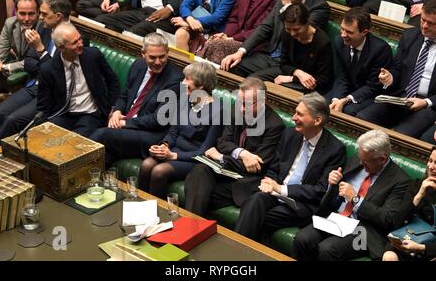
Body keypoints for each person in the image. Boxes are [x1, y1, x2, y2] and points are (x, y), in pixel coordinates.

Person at [234, 92, 346, 240]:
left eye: (299, 114)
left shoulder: (335, 149)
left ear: (317, 120)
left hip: (301, 204)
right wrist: (268, 181)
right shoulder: (289, 134)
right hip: (275, 193)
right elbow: (275, 167)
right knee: (256, 200)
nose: (293, 118)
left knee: (256, 214)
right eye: (294, 112)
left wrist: (281, 189)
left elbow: (320, 190)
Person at [292, 129, 410, 261]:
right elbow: (337, 195)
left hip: (364, 231)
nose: (361, 163)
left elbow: (387, 219)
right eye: (360, 158)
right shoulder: (358, 159)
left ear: (382, 159)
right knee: (302, 239)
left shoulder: (400, 181)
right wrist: (333, 182)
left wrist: (355, 199)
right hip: (337, 218)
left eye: (366, 162)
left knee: (328, 249)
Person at [184, 77, 285, 217]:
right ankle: (191, 226)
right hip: (226, 170)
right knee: (200, 170)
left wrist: (221, 157)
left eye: (247, 104)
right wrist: (242, 153)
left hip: (245, 180)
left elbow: (256, 165)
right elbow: (223, 142)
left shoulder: (274, 125)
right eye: (240, 102)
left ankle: (191, 226)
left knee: (199, 195)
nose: (242, 108)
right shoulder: (236, 109)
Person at [0, 0, 71, 151]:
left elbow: (56, 74)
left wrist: (40, 50)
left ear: (57, 16)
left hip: (51, 92)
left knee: (11, 120)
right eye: (22, 13)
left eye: (43, 14)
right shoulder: (45, 29)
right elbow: (30, 63)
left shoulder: (72, 37)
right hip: (35, 84)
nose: (39, 18)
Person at [90, 33, 183, 167]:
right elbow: (125, 95)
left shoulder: (175, 79)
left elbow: (159, 120)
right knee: (105, 154)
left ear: (167, 53)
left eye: (162, 56)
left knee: (101, 134)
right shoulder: (138, 65)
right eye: (152, 57)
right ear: (143, 54)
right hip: (129, 125)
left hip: (151, 134)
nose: (158, 62)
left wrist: (124, 123)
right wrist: (117, 111)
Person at [220, 0, 329, 77]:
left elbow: (296, 35)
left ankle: (256, 94)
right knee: (231, 66)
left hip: (291, 64)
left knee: (254, 80)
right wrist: (240, 52)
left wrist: (286, 2)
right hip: (269, 54)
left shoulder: (319, 7)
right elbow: (265, 27)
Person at [138, 62, 224, 198]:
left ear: (201, 86)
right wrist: (163, 146)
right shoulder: (185, 100)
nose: (183, 82)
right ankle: (139, 207)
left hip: (194, 159)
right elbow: (173, 132)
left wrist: (173, 156)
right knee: (146, 165)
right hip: (174, 150)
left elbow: (205, 151)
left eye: (188, 79)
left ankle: (158, 213)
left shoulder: (218, 111)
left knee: (159, 171)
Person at [357, 0, 436, 139]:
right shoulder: (410, 36)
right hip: (401, 97)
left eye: (431, 23)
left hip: (428, 105)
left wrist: (426, 102)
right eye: (423, 20)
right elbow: (397, 68)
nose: (424, 26)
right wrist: (390, 77)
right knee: (363, 118)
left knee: (400, 136)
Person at [37, 22, 120, 137]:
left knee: (75, 142)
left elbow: (112, 81)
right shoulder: (48, 69)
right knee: (47, 137)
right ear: (61, 47)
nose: (81, 44)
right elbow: (43, 106)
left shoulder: (93, 55)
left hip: (90, 114)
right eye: (75, 42)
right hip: (63, 114)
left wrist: (113, 107)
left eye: (80, 39)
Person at [197, 0, 283, 64]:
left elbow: (260, 29)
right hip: (235, 37)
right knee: (214, 40)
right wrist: (226, 34)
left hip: (255, 45)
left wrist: (231, 38)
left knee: (217, 46)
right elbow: (234, 18)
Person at [251, 2, 333, 94]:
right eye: (288, 29)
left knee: (280, 89)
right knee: (253, 81)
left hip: (310, 83)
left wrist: (292, 79)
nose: (292, 33)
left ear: (307, 22)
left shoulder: (322, 42)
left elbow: (323, 79)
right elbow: (284, 63)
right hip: (291, 72)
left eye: (297, 29)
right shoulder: (287, 33)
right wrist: (297, 72)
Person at [327, 7, 393, 116]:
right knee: (323, 104)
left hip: (370, 95)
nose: (343, 34)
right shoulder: (339, 41)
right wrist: (337, 99)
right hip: (347, 88)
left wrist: (346, 100)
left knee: (348, 111)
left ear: (364, 32)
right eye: (342, 29)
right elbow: (341, 76)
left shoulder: (380, 49)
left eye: (349, 32)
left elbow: (373, 86)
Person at [0, 0, 41, 109]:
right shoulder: (10, 23)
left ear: (38, 13)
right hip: (16, 68)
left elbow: (35, 61)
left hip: (34, 75)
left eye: (31, 14)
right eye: (22, 14)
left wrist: (3, 67)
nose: (26, 19)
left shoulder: (43, 27)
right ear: (15, 12)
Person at [382, 148, 436, 261]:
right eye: (430, 161)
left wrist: (421, 248)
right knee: (389, 256)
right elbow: (396, 221)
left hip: (430, 249)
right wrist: (419, 194)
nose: (431, 166)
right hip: (407, 238)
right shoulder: (416, 185)